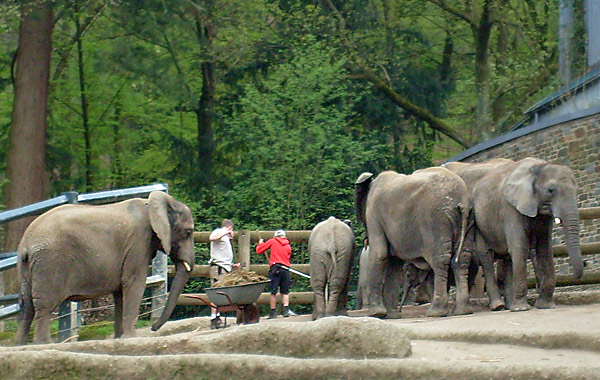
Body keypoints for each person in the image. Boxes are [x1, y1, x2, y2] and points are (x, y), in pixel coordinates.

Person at [209, 219, 240, 329]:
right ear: (230, 227)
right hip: (218, 268)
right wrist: (225, 231)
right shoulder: (218, 231)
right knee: (216, 292)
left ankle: (218, 317)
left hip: (225, 268)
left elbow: (223, 254)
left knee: (222, 292)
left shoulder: (225, 237)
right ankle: (214, 318)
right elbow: (212, 238)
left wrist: (232, 265)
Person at [256, 229, 293, 319]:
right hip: (285, 269)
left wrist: (260, 243)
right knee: (285, 291)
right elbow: (288, 256)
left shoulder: (272, 241)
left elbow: (259, 250)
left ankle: (273, 312)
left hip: (275, 268)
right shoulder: (288, 245)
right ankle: (286, 310)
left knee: (273, 291)